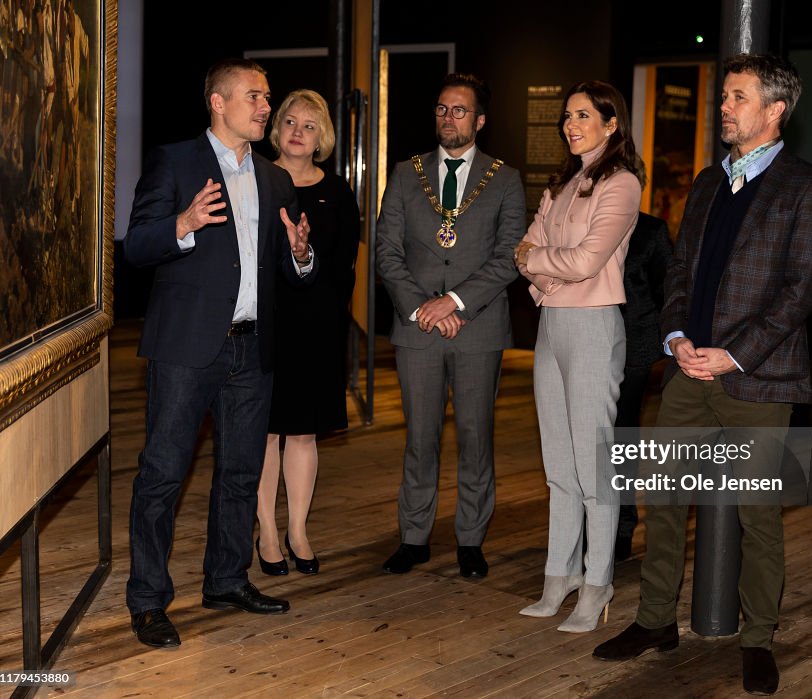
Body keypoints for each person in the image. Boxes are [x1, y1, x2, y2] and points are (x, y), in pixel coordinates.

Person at [592, 54, 812, 696]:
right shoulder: (707, 182)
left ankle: (757, 638)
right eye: (724, 96)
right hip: (686, 371)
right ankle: (654, 623)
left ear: (775, 110)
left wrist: (732, 354)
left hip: (755, 379)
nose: (723, 106)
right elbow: (679, 274)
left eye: (737, 96)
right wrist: (676, 337)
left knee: (758, 515)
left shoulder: (808, 186)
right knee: (665, 503)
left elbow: (802, 290)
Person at [123, 58, 317, 649]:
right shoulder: (175, 162)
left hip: (251, 349)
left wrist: (301, 255)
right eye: (255, 97)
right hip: (185, 349)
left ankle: (227, 579)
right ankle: (149, 600)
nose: (266, 108)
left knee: (239, 473)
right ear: (219, 102)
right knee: (162, 475)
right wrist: (181, 224)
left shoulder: (275, 178)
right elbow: (136, 246)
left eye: (267, 97)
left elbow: (288, 271)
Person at [375, 73, 526, 578]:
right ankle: (414, 537)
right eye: (442, 109)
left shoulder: (505, 178)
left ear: (480, 120)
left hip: (477, 327)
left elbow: (510, 257)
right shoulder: (405, 173)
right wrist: (422, 308)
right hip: (416, 328)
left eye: (459, 111)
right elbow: (387, 252)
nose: (449, 118)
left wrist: (456, 303)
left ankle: (470, 540)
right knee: (419, 438)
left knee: (475, 436)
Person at [515, 80, 643, 632]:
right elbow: (524, 251)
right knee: (558, 466)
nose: (570, 124)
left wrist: (540, 261)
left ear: (611, 124)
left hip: (593, 325)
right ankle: (558, 575)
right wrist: (544, 266)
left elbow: (587, 260)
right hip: (551, 322)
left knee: (594, 468)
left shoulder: (622, 183)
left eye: (583, 115)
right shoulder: (563, 182)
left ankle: (598, 582)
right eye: (567, 116)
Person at [255, 89, 360, 577]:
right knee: (266, 432)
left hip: (317, 326)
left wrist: (332, 316)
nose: (298, 131)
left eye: (309, 125)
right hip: (263, 323)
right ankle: (268, 533)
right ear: (277, 129)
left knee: (302, 432)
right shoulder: (253, 177)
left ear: (322, 138)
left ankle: (297, 528)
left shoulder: (338, 192)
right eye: (291, 121)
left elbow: (344, 266)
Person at [613, 212, 671, 562]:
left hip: (632, 348)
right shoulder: (579, 217)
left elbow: (668, 290)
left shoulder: (650, 230)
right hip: (584, 340)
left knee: (620, 437)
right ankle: (587, 524)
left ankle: (621, 525)